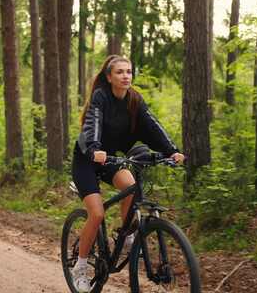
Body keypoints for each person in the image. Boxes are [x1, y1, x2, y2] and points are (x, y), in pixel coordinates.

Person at [71, 55, 185, 292]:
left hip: (111, 158)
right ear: (109, 77)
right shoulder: (101, 97)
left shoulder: (134, 99)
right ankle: (80, 267)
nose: (126, 76)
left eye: (129, 72)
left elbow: (152, 126)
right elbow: (94, 123)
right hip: (87, 160)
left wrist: (172, 151)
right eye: (120, 72)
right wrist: (94, 149)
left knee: (131, 187)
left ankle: (124, 237)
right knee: (97, 213)